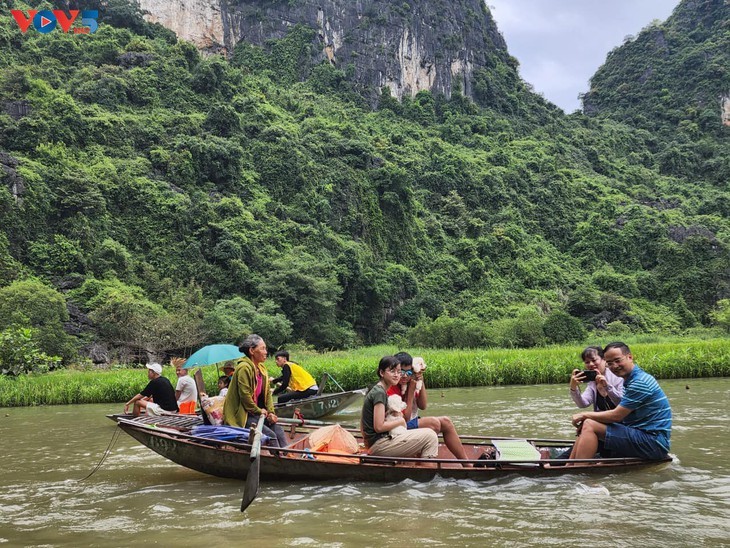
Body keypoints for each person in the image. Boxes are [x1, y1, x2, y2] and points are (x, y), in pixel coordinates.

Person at [568, 342, 672, 462]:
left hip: (653, 443)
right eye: (610, 363)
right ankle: (569, 467)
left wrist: (584, 415)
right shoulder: (630, 379)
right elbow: (583, 403)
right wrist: (574, 388)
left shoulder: (639, 382)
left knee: (589, 423)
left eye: (618, 360)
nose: (614, 366)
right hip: (639, 434)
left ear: (630, 357)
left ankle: (578, 471)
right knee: (588, 423)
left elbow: (617, 415)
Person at [389, 352, 471, 466]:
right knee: (434, 424)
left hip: (408, 422)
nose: (405, 376)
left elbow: (423, 406)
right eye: (401, 372)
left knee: (446, 422)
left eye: (408, 372)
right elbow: (405, 419)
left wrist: (420, 381)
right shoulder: (392, 388)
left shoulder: (410, 382)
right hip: (398, 428)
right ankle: (422, 462)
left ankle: (467, 464)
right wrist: (411, 392)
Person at [360, 355, 439, 460]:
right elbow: (378, 427)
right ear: (381, 373)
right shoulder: (379, 393)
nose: (397, 375)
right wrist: (401, 421)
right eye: (392, 371)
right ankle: (425, 469)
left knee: (429, 433)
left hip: (379, 441)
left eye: (398, 372)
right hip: (379, 445)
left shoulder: (379, 390)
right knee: (430, 436)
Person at [222, 334, 288, 448]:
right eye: (262, 348)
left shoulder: (262, 368)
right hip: (243, 414)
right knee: (271, 436)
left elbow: (267, 393)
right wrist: (259, 411)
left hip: (256, 413)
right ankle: (277, 462)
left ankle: (288, 456)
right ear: (252, 350)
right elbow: (245, 397)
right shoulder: (244, 367)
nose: (266, 352)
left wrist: (271, 412)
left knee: (279, 431)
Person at [569, 346, 623, 412]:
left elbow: (623, 403)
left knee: (586, 420)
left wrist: (606, 386)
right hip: (602, 419)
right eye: (587, 362)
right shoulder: (592, 382)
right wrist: (573, 388)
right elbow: (582, 404)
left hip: (621, 418)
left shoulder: (618, 377)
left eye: (594, 360)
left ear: (604, 359)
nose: (591, 364)